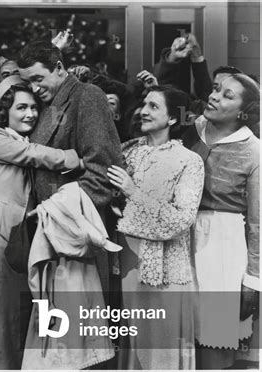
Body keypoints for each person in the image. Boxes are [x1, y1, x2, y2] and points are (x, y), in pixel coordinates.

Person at [0, 40, 122, 368]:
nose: (35, 89)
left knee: (80, 346)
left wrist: (58, 218)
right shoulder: (46, 104)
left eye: (40, 79)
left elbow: (103, 172)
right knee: (54, 344)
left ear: (59, 67)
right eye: (29, 82)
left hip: (73, 238)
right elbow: (18, 147)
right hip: (46, 240)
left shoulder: (87, 97)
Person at [0, 76, 84, 369]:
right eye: (21, 108)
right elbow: (32, 156)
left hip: (17, 240)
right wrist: (74, 158)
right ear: (6, 111)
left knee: (10, 318)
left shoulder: (22, 137)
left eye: (33, 108)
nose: (30, 113)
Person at [107, 85, 204, 369]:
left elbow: (182, 219)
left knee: (161, 346)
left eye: (153, 106)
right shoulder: (128, 152)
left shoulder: (189, 161)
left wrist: (132, 191)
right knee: (133, 343)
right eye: (144, 104)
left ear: (173, 119)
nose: (144, 111)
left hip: (166, 267)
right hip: (128, 263)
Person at [182, 73, 260, 369]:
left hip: (223, 249)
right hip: (178, 239)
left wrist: (253, 279)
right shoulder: (189, 131)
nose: (214, 96)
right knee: (176, 338)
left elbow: (257, 222)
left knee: (215, 339)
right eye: (215, 89)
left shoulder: (254, 151)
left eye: (228, 95)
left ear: (244, 112)